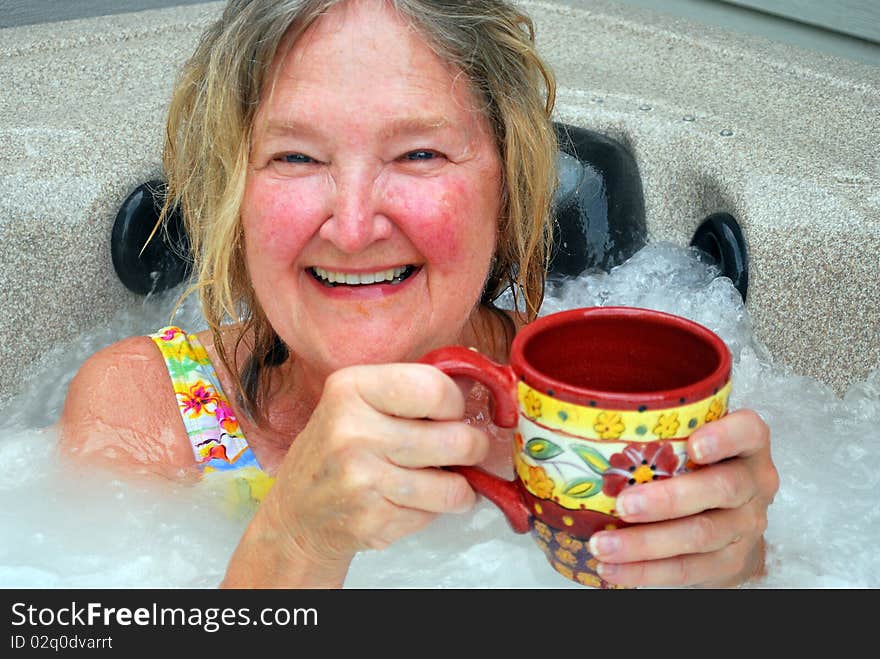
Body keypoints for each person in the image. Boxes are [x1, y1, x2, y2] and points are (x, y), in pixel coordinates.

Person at [59, 0, 778, 589]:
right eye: (297, 157)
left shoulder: (607, 423)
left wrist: (734, 575)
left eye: (419, 154)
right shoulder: (146, 414)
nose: (352, 225)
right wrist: (293, 540)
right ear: (234, 196)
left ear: (507, 185)